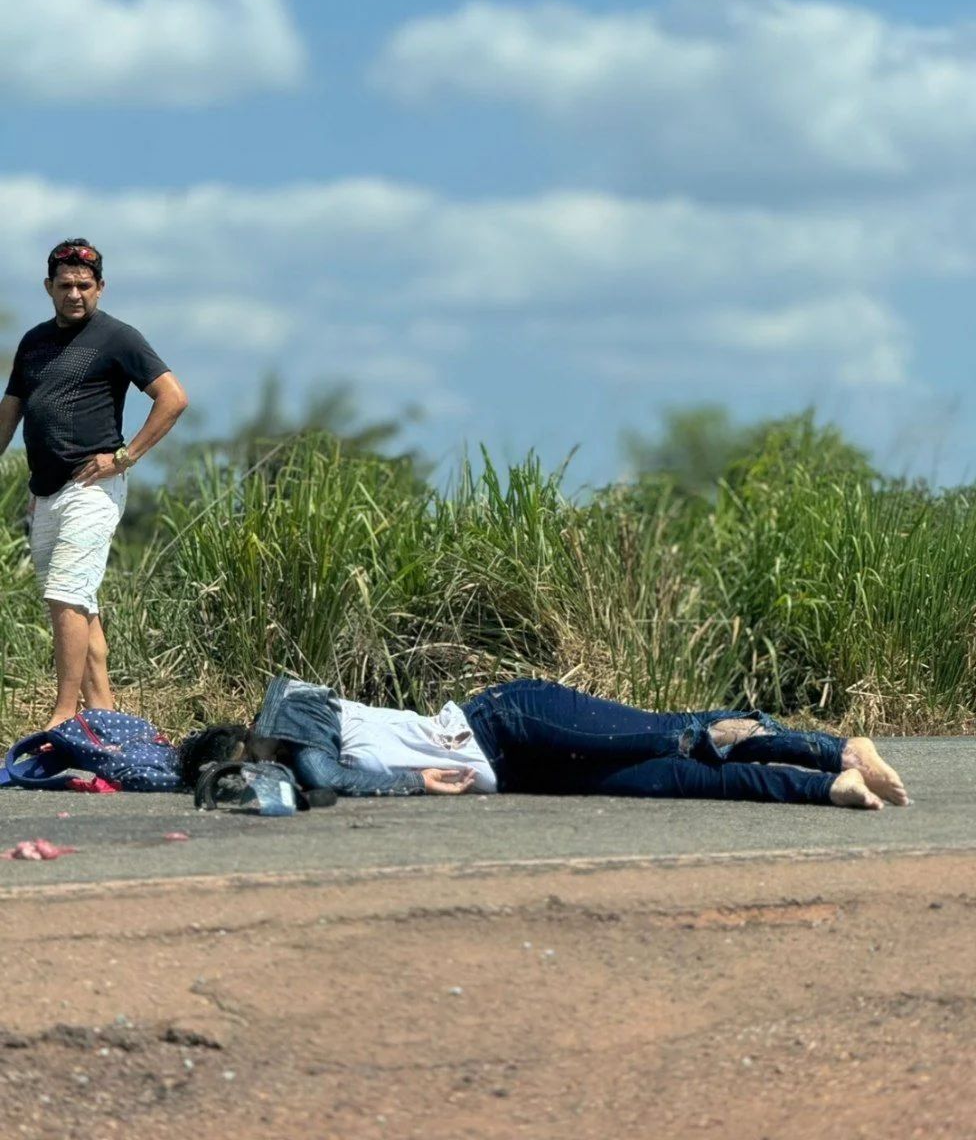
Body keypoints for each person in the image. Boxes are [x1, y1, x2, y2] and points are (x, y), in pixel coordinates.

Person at [178, 676, 910, 810]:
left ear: (246, 744)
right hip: (520, 772)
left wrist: (409, 784)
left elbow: (321, 781)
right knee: (688, 780)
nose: (250, 786)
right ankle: (827, 788)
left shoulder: (292, 708)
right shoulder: (303, 767)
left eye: (238, 774)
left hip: (509, 719)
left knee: (682, 734)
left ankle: (837, 749)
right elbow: (319, 784)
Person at [0, 238, 189, 730]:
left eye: (85, 285)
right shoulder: (34, 342)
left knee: (65, 594)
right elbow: (11, 412)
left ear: (100, 288)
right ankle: (103, 713)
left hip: (92, 488)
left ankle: (64, 716)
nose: (76, 294)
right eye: (66, 285)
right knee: (78, 602)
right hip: (45, 493)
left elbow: (172, 398)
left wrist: (125, 458)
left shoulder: (118, 338)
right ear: (49, 287)